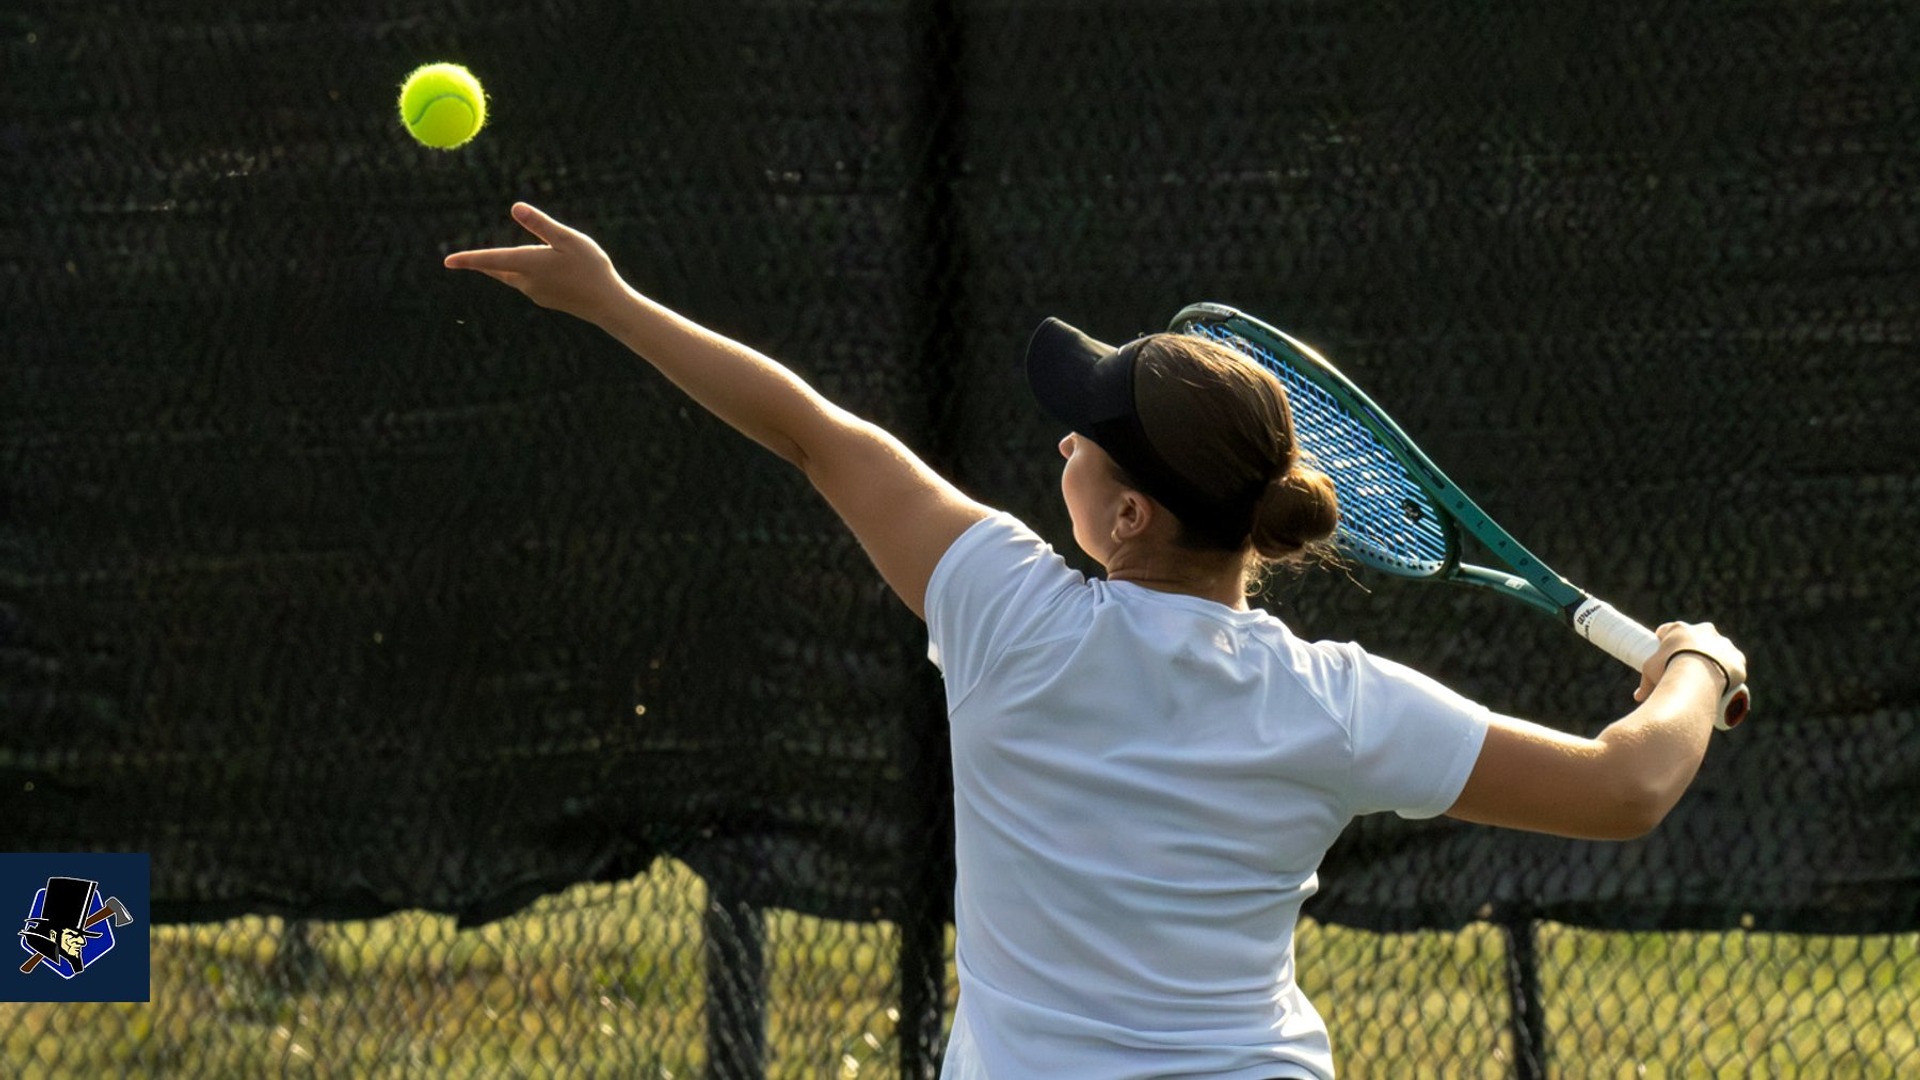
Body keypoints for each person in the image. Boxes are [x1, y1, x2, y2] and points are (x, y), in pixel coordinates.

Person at [445, 203, 1747, 1080]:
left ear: (1127, 514)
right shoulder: (1335, 703)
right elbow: (1627, 785)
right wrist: (1695, 666)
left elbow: (809, 430)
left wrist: (612, 301)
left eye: (1084, 430)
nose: (1059, 439)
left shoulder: (1004, 610)